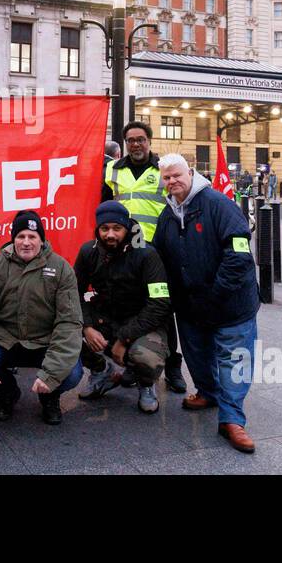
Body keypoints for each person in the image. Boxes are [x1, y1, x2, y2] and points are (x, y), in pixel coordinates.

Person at [152, 153, 261, 454]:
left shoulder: (219, 205)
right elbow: (159, 256)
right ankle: (208, 393)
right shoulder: (168, 215)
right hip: (191, 307)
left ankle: (232, 420)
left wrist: (215, 294)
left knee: (233, 360)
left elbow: (239, 255)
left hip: (230, 304)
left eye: (177, 175)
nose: (172, 181)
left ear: (191, 172)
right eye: (167, 177)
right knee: (197, 356)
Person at [0, 210, 84, 425]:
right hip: (4, 342)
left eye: (32, 237)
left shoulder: (61, 268)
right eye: (20, 236)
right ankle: (8, 393)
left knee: (72, 373)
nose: (26, 242)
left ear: (42, 240)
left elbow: (69, 322)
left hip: (44, 343)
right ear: (13, 239)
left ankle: (49, 397)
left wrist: (51, 374)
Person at [101, 121, 187, 395]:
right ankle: (132, 364)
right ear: (125, 143)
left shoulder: (162, 169)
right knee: (130, 305)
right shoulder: (112, 169)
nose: (136, 144)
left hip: (158, 250)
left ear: (149, 140)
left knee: (164, 307)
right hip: (123, 251)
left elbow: (178, 204)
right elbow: (103, 203)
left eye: (140, 139)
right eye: (130, 140)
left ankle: (172, 365)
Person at [74, 201, 171, 414]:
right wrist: (87, 327)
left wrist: (124, 339)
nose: (110, 234)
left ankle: (146, 383)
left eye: (117, 228)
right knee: (63, 332)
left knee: (145, 356)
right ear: (97, 229)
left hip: (144, 325)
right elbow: (73, 294)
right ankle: (102, 372)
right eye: (104, 228)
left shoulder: (147, 254)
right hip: (105, 320)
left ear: (126, 228)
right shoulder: (88, 252)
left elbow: (160, 303)